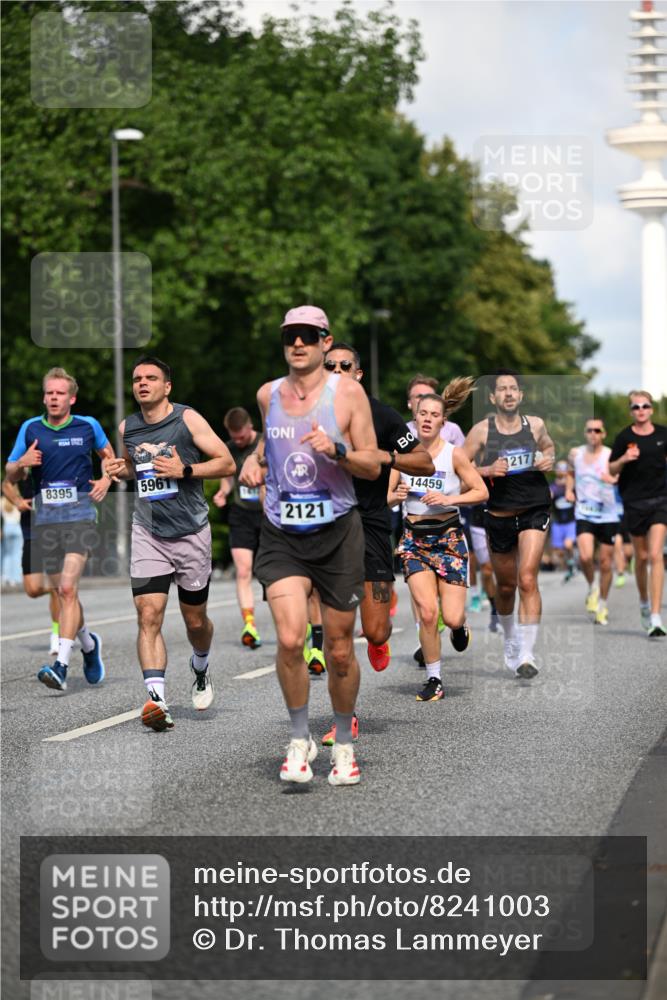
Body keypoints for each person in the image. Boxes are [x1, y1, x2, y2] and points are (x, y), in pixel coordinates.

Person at [239, 304, 380, 786]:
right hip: (282, 533)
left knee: (340, 650)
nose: (297, 344)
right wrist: (254, 461)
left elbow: (372, 466)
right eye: (289, 337)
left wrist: (337, 450)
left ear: (325, 340)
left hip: (338, 531)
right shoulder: (268, 394)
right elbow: (268, 443)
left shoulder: (349, 395)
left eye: (307, 336)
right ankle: (299, 739)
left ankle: (342, 743)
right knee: (292, 639)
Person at [105, 356, 236, 731]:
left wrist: (186, 470)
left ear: (167, 386)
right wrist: (121, 468)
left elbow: (226, 463)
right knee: (148, 614)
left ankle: (200, 663)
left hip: (191, 532)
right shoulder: (127, 426)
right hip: (148, 531)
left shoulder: (187, 419)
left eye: (151, 378)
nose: (142, 383)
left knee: (195, 622)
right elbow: (134, 466)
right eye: (137, 379)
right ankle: (157, 700)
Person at [318, 342, 434, 743]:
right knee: (336, 638)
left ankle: (378, 640)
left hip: (369, 525)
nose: (336, 370)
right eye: (329, 365)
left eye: (344, 365)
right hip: (326, 526)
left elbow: (424, 462)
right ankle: (343, 716)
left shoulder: (379, 414)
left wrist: (383, 457)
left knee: (377, 630)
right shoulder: (309, 411)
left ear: (359, 373)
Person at [5, 367, 114, 691]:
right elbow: (10, 473)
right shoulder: (30, 428)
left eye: (59, 393)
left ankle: (61, 665)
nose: (53, 398)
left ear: (71, 398)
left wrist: (107, 478)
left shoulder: (88, 425)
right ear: (44, 397)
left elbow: (109, 458)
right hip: (45, 522)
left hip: (80, 516)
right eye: (49, 393)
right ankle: (90, 645)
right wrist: (22, 462)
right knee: (63, 592)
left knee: (67, 589)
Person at [388, 386, 487, 701]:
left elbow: (481, 491)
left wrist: (449, 498)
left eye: (434, 415)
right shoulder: (402, 456)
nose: (428, 420)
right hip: (414, 540)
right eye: (423, 414)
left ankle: (459, 627)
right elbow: (386, 496)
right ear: (414, 418)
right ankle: (434, 679)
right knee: (428, 613)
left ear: (443, 422)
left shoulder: (452, 453)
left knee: (453, 616)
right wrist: (396, 496)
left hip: (449, 539)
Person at [464, 369, 555, 679]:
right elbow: (461, 468)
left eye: (513, 388)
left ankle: (527, 653)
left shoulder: (536, 425)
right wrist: (487, 468)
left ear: (521, 395)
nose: (508, 393)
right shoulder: (481, 431)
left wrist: (547, 459)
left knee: (528, 578)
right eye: (501, 389)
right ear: (493, 397)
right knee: (506, 586)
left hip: (534, 508)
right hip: (499, 514)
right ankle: (511, 639)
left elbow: (549, 448)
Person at [609, 390, 667, 638]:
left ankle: (655, 616)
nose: (641, 410)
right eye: (636, 407)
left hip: (661, 501)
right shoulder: (624, 437)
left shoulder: (663, 434)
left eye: (644, 406)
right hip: (634, 502)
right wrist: (624, 458)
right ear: (631, 411)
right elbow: (611, 469)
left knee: (655, 555)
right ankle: (644, 602)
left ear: (651, 409)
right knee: (641, 558)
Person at [213, 407, 264, 649]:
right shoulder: (229, 448)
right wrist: (223, 492)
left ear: (249, 426)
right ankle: (249, 625)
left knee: (270, 575)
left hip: (268, 514)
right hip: (241, 514)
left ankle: (299, 625)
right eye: (234, 437)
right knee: (244, 571)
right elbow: (227, 477)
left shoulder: (266, 442)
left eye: (241, 437)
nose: (238, 441)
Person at [566, 420, 620, 626]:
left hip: (607, 513)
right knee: (586, 556)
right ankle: (592, 587)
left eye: (597, 430)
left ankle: (603, 605)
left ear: (603, 434)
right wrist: (570, 490)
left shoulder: (610, 454)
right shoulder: (576, 454)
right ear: (585, 433)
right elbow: (571, 472)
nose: (593, 433)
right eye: (589, 430)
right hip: (584, 512)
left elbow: (620, 475)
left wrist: (614, 480)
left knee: (606, 563)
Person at [2, 477, 60, 653]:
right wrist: (17, 501)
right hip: (31, 533)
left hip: (55, 530)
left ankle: (56, 635)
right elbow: (6, 484)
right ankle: (58, 590)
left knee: (59, 588)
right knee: (33, 589)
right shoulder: (24, 455)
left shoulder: (58, 456)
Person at [406, 374, 465, 446]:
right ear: (409, 403)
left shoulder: (452, 430)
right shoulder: (401, 432)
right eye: (420, 396)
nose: (425, 400)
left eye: (429, 396)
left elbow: (465, 456)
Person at [549, 460, 576, 580]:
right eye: (559, 467)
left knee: (568, 544)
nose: (561, 470)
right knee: (558, 551)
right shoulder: (553, 486)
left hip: (570, 521)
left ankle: (571, 564)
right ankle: (569, 563)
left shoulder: (571, 486)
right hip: (558, 522)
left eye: (564, 467)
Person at [1, 495, 23, 587]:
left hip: (7, 527)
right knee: (17, 554)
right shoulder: (19, 499)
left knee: (7, 554)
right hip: (17, 527)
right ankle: (16, 578)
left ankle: (6, 576)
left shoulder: (2, 501)